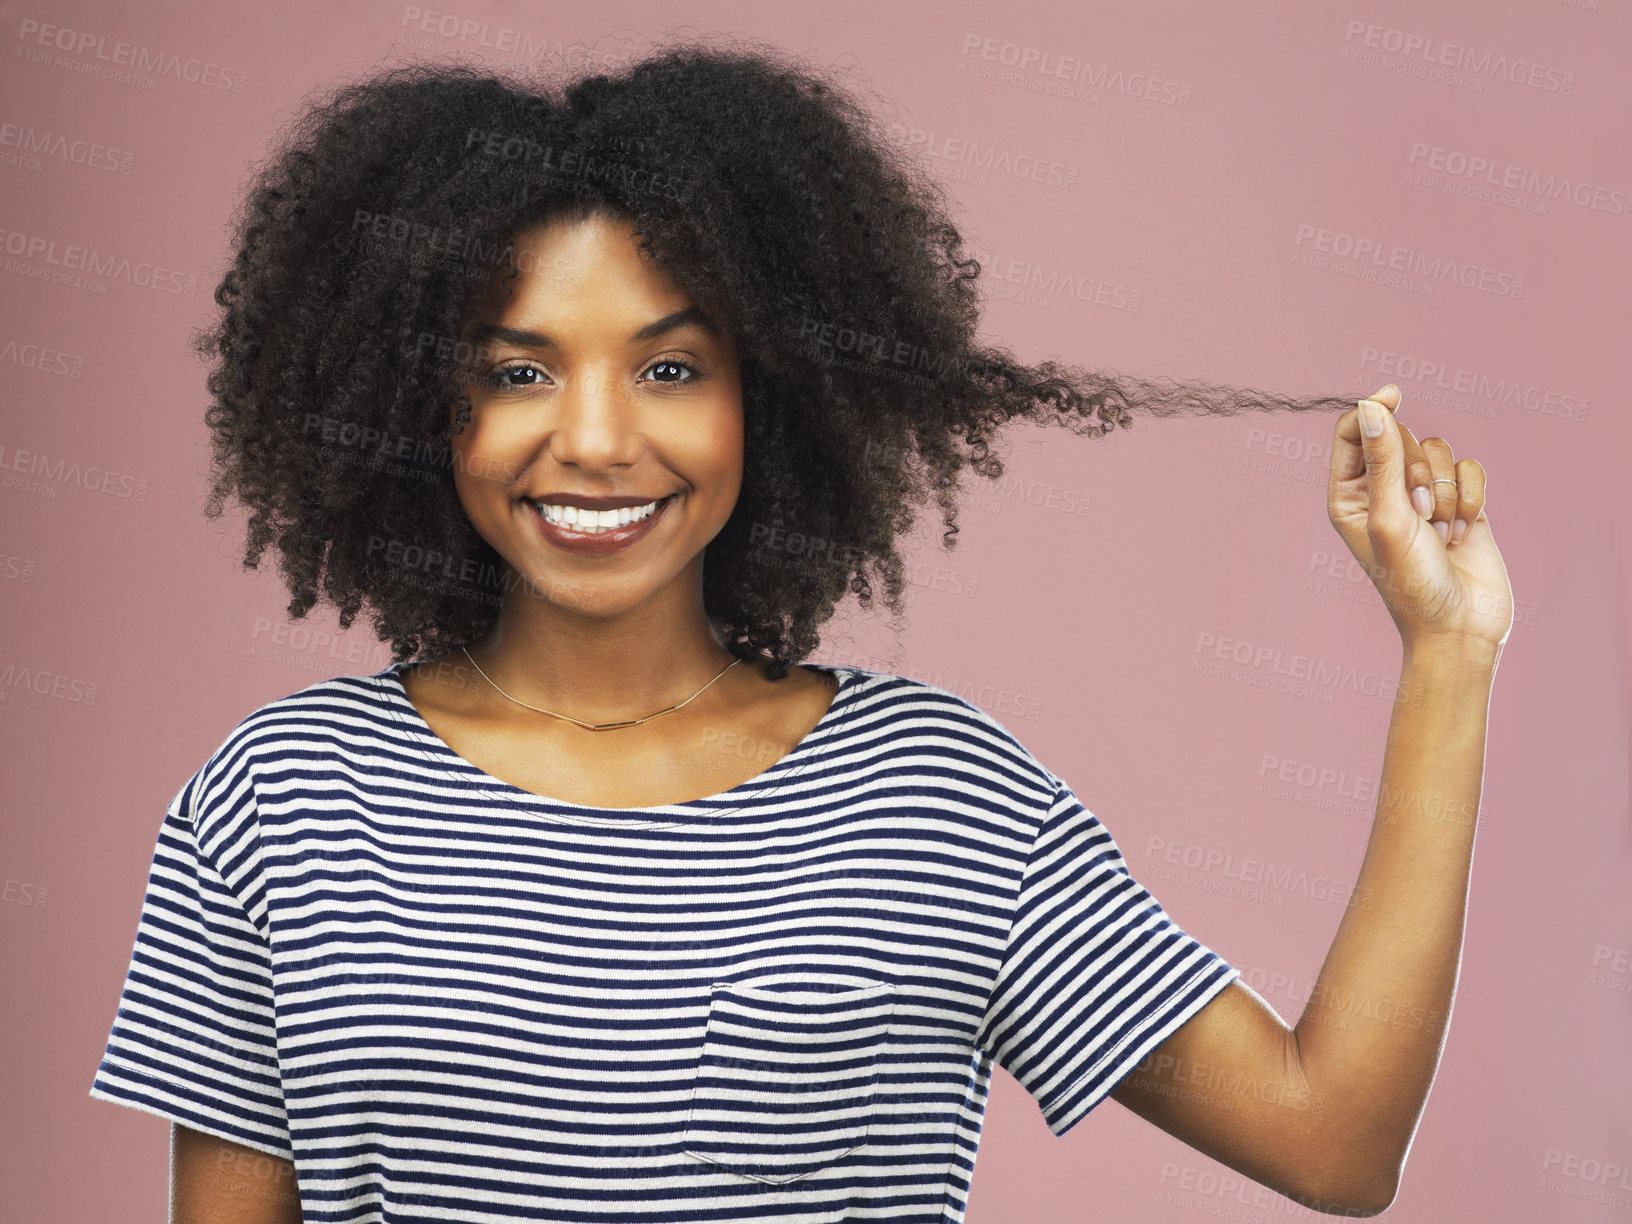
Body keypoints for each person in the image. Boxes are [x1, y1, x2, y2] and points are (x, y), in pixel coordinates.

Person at [88, 41, 1511, 1224]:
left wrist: (1450, 660)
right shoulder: (279, 799)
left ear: (771, 395)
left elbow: (1333, 1144)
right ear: (415, 405)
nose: (593, 439)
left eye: (669, 365)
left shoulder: (939, 796)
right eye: (517, 370)